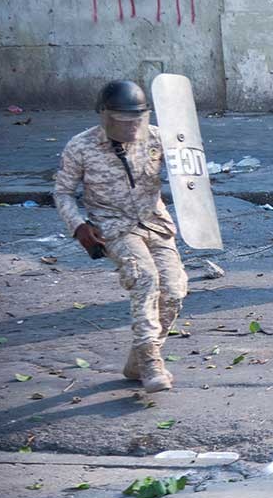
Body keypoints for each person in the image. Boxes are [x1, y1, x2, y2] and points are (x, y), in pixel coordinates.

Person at [53, 80, 188, 393]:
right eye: (123, 123)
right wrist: (78, 225)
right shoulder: (81, 146)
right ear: (105, 116)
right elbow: (62, 192)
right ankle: (151, 362)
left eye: (137, 121)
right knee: (145, 279)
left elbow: (187, 175)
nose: (131, 129)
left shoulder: (157, 138)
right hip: (113, 227)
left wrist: (187, 164)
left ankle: (135, 363)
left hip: (155, 223)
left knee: (174, 290)